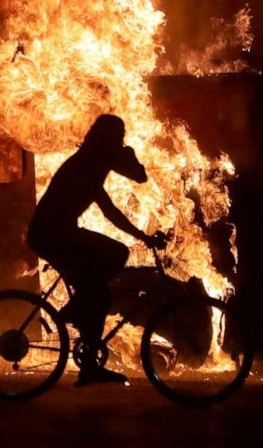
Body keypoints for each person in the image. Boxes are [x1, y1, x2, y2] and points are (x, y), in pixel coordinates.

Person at [27, 114, 166, 386]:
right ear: (109, 140)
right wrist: (128, 155)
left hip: (58, 233)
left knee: (97, 294)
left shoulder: (92, 163)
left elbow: (123, 194)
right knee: (107, 272)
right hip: (51, 235)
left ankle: (85, 343)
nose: (121, 143)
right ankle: (76, 313)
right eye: (118, 138)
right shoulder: (88, 164)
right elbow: (130, 185)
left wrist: (141, 236)